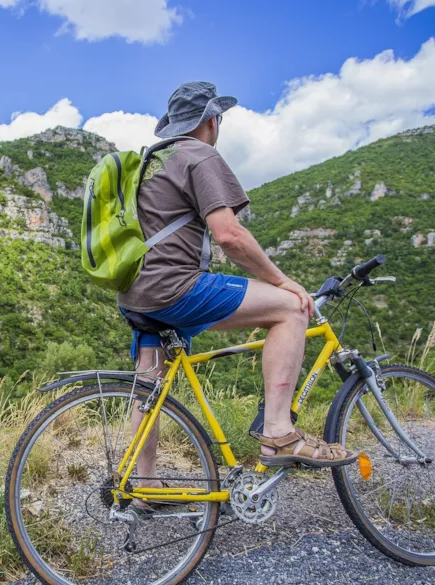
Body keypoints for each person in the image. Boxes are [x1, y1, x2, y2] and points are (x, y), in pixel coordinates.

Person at [118, 81, 357, 496]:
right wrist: (282, 281)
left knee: (150, 387)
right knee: (290, 309)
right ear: (212, 120)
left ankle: (145, 483)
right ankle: (279, 433)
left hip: (136, 293)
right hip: (176, 287)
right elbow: (229, 235)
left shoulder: (150, 161)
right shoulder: (199, 154)